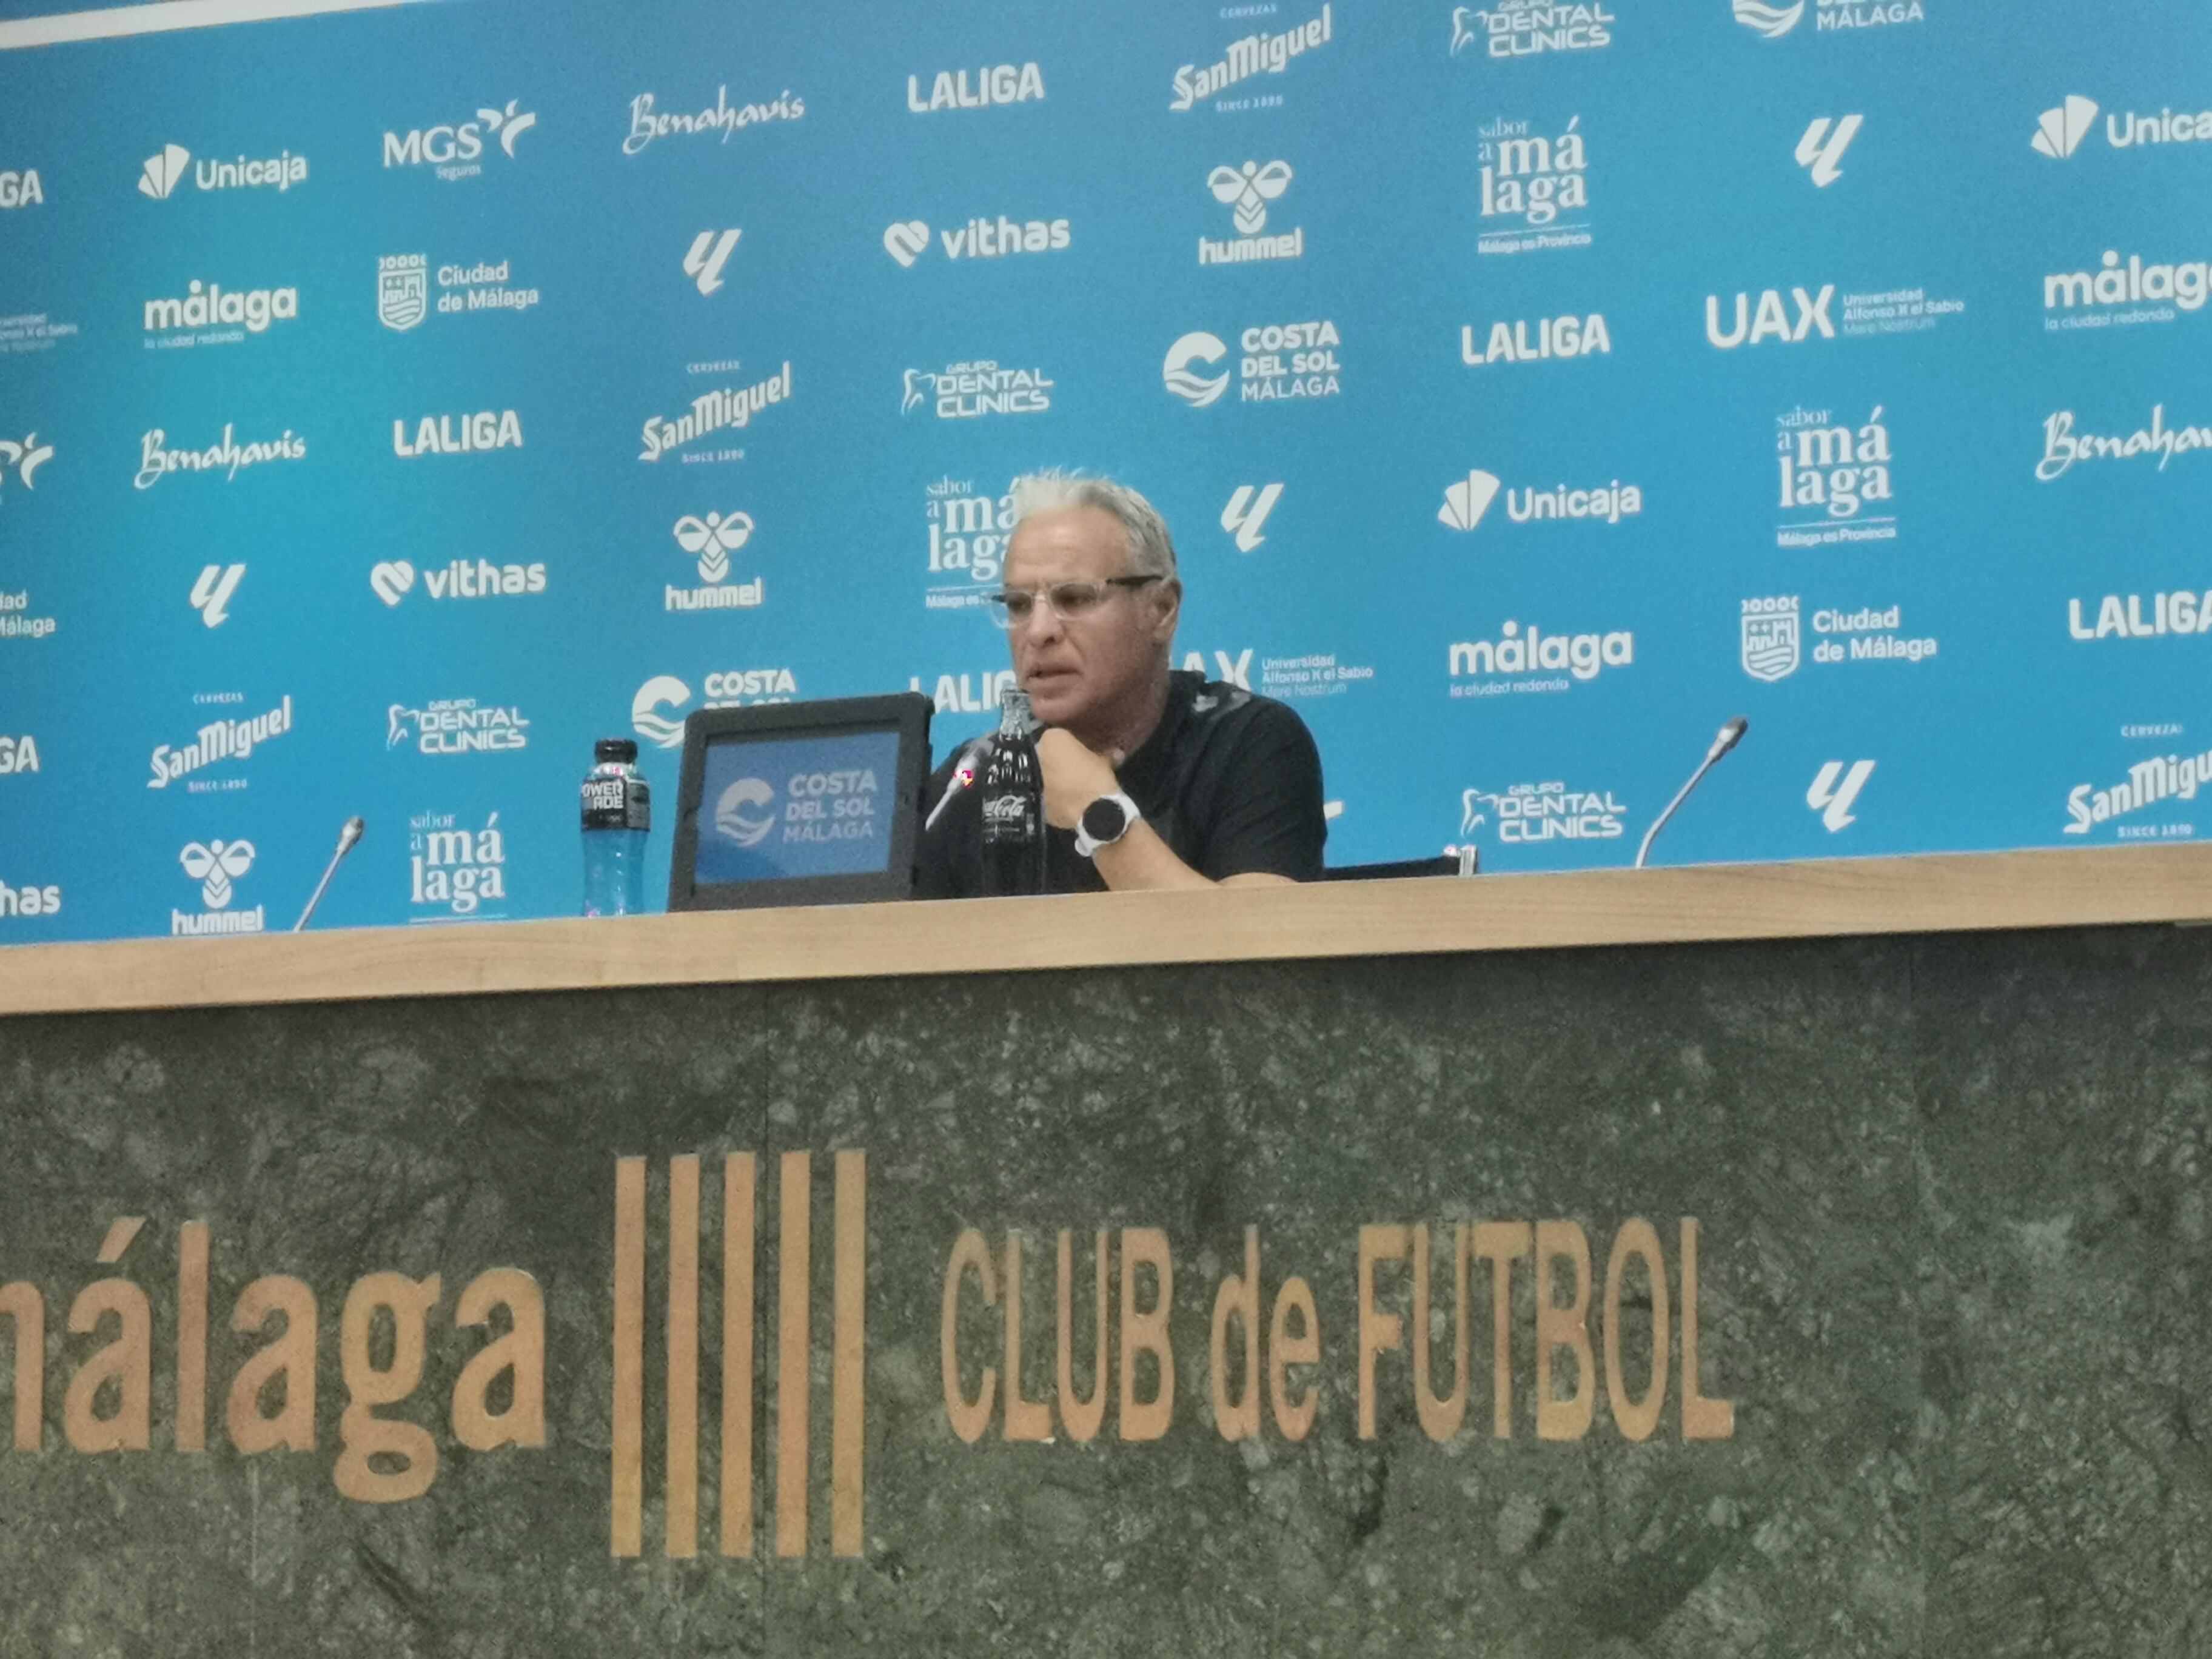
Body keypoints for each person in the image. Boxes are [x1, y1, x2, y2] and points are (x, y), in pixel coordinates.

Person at [916, 469, 1326, 896]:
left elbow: (1257, 948)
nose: (1038, 631)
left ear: (1161, 610)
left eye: (1074, 598)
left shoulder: (1248, 740)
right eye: (1018, 605)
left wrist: (1097, 808)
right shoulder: (971, 776)